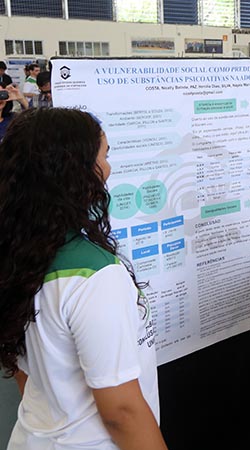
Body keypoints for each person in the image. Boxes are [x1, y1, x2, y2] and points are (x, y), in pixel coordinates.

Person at [0, 108, 166, 449]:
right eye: (104, 155)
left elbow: (23, 368)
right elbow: (121, 411)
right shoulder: (96, 276)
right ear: (79, 172)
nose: (109, 167)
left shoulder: (19, 251)